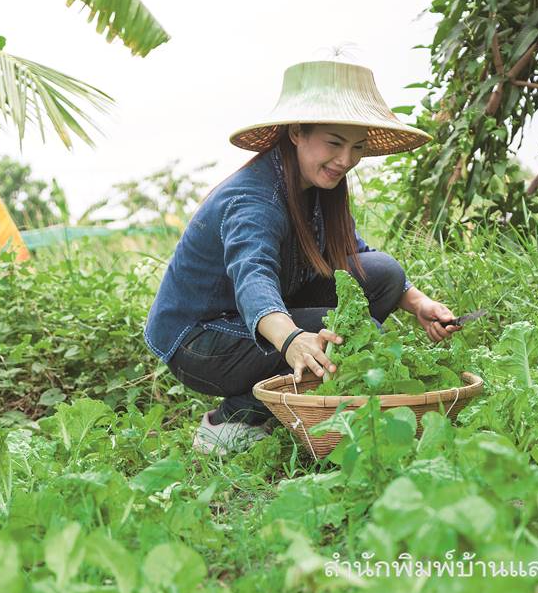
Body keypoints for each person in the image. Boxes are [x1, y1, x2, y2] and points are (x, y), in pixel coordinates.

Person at [143, 60, 463, 455]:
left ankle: (294, 392)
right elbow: (253, 278)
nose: (346, 160)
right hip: (199, 340)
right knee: (346, 335)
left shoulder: (317, 186)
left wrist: (419, 303)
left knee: (383, 275)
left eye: (357, 147)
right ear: (296, 132)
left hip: (256, 316)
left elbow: (356, 253)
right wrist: (292, 338)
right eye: (334, 142)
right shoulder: (254, 200)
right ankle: (232, 421)